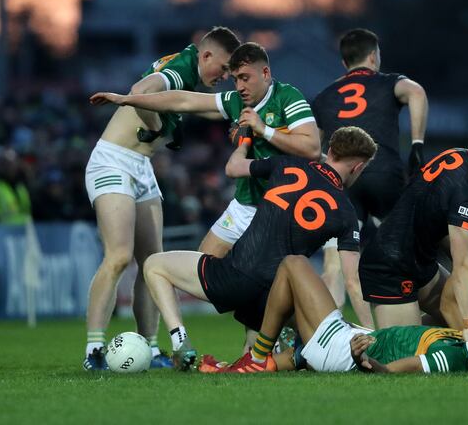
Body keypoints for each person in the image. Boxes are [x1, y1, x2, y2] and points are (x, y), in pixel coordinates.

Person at [138, 127, 376, 370]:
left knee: (154, 265)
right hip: (274, 301)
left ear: (330, 151)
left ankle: (181, 341)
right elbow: (352, 282)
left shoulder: (287, 165)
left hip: (233, 278)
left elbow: (233, 168)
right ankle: (290, 350)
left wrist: (243, 143)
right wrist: (371, 330)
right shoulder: (347, 213)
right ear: (358, 167)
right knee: (284, 337)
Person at [82, 26, 240, 370]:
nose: (225, 77)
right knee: (119, 257)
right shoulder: (182, 69)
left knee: (153, 263)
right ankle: (93, 350)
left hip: (140, 167)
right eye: (225, 68)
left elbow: (205, 107)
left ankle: (151, 349)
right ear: (206, 55)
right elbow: (140, 91)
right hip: (113, 160)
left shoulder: (189, 74)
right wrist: (156, 127)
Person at [90, 42, 321, 259]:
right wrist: (129, 99)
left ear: (265, 73)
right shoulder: (235, 101)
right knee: (202, 271)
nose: (240, 86)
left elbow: (311, 148)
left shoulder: (288, 97)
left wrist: (263, 129)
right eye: (235, 79)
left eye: (245, 78)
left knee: (273, 280)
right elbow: (182, 101)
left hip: (283, 205)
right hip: (244, 204)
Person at [359, 114, 468, 340]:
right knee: (404, 352)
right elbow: (462, 268)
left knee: (458, 325)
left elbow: (431, 214)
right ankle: (353, 341)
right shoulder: (465, 193)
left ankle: (404, 334)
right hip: (390, 266)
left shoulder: (456, 155)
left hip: (419, 261)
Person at [210, 254, 468, 374]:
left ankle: (259, 353)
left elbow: (393, 372)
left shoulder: (449, 359)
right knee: (290, 332)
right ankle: (243, 367)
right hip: (355, 337)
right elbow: (442, 312)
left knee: (293, 265)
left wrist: (364, 360)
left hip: (345, 351)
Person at [311, 29, 427, 324]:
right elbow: (416, 92)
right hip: (384, 173)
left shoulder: (325, 97)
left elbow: (312, 149)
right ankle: (421, 318)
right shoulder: (387, 82)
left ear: (343, 62)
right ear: (373, 56)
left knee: (335, 265)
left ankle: (328, 334)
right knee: (408, 249)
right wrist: (417, 143)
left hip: (343, 183)